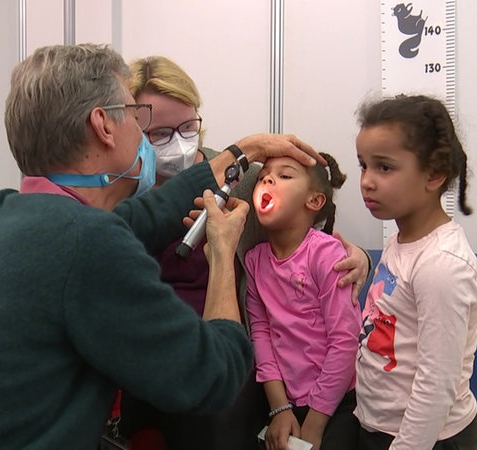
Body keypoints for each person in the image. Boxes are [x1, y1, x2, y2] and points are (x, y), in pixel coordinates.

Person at [0, 43, 325, 450]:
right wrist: (223, 256)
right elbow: (212, 377)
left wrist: (242, 150)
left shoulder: (9, 213)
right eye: (137, 115)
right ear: (104, 125)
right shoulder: (86, 243)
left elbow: (147, 216)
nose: (146, 130)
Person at [115, 55, 370, 450]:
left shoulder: (240, 178)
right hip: (153, 352)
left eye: (187, 127)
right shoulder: (122, 192)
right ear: (131, 128)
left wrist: (360, 257)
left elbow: (311, 235)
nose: (178, 144)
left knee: (220, 417)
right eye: (160, 134)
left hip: (227, 354)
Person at [353, 94, 477, 450]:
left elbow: (436, 384)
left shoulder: (442, 265)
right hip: (382, 425)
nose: (366, 180)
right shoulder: (402, 239)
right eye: (363, 165)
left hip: (426, 439)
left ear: (434, 174)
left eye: (384, 167)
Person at [245, 152, 361, 450]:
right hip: (285, 401)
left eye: (284, 175)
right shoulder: (255, 261)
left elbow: (344, 342)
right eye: (263, 177)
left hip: (338, 402)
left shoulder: (327, 255)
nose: (268, 179)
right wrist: (279, 408)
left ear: (314, 201)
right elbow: (261, 334)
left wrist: (315, 423)